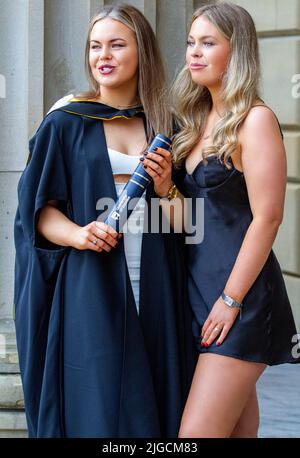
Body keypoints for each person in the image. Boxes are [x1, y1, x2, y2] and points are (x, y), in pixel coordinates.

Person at [13, 4, 196, 438]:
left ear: (142, 52)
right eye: (96, 46)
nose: (103, 56)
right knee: (96, 403)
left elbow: (189, 224)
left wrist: (168, 184)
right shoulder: (66, 121)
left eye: (117, 44)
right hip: (91, 281)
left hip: (157, 285)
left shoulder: (167, 125)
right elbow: (37, 214)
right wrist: (78, 234)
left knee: (156, 401)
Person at [168, 2, 300, 438]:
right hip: (199, 293)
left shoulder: (254, 121)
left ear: (236, 51)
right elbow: (190, 215)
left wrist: (231, 300)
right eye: (191, 42)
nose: (194, 52)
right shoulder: (194, 119)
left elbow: (268, 218)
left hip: (238, 300)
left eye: (208, 43)